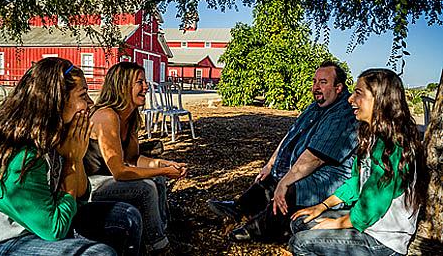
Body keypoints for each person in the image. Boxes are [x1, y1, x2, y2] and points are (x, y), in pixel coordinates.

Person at [0, 57, 143, 255]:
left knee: (127, 216)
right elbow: (55, 229)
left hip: (50, 218)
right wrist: (71, 161)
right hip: (9, 238)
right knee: (99, 254)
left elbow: (81, 197)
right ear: (57, 100)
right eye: (83, 95)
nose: (90, 102)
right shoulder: (23, 154)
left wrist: (77, 157)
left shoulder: (57, 134)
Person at [208, 61, 359, 242]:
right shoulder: (315, 106)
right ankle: (238, 208)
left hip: (330, 177)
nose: (316, 87)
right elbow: (291, 135)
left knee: (292, 187)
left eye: (323, 82)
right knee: (270, 177)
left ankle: (259, 230)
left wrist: (285, 181)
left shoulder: (343, 114)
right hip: (307, 166)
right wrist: (270, 164)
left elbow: (315, 158)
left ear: (339, 87)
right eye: (314, 81)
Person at [289, 68, 428, 255]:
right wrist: (322, 207)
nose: (350, 99)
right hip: (366, 222)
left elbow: (373, 205)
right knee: (300, 222)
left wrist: (338, 223)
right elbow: (355, 182)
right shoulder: (370, 136)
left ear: (380, 99)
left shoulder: (394, 145)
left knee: (300, 243)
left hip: (383, 238)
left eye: (358, 93)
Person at [83, 62, 187, 255]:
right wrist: (162, 169)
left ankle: (161, 232)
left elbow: (133, 159)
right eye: (140, 82)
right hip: (89, 185)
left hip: (109, 179)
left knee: (158, 179)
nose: (146, 87)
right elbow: (120, 171)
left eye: (145, 82)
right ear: (122, 86)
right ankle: (159, 247)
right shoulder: (107, 116)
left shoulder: (129, 117)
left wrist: (163, 165)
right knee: (146, 188)